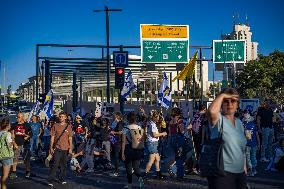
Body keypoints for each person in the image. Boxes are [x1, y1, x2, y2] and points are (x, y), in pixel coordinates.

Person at [207, 88, 247, 189]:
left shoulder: (239, 123)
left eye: (233, 101)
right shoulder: (219, 120)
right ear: (221, 103)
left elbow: (241, 150)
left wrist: (244, 169)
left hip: (240, 173)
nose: (230, 104)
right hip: (222, 173)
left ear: (237, 104)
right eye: (226, 101)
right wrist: (223, 95)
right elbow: (211, 111)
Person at [48, 111, 73, 187]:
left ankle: (62, 178)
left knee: (64, 165)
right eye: (60, 116)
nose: (61, 118)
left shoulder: (69, 126)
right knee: (55, 164)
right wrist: (51, 147)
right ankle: (51, 180)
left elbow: (70, 138)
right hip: (57, 148)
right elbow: (52, 137)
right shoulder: (55, 125)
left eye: (62, 116)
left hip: (65, 148)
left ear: (65, 117)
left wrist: (70, 148)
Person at [122, 112, 144, 189]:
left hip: (128, 149)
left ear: (128, 119)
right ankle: (140, 178)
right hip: (138, 149)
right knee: (136, 167)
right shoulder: (139, 127)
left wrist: (122, 153)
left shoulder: (125, 128)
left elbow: (123, 142)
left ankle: (129, 185)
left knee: (128, 167)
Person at [144, 110, 167, 179]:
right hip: (152, 143)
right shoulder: (153, 124)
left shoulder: (151, 122)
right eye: (157, 117)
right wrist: (163, 134)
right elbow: (154, 135)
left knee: (157, 159)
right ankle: (145, 174)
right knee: (151, 160)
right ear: (154, 117)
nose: (158, 118)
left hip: (152, 143)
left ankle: (158, 173)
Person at [10, 112, 34, 179]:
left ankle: (27, 172)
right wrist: (14, 143)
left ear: (22, 117)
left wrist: (28, 136)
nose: (17, 118)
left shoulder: (27, 125)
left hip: (25, 144)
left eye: (19, 117)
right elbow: (11, 135)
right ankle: (13, 172)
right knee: (15, 158)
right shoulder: (14, 125)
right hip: (17, 144)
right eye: (17, 117)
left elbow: (31, 134)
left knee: (26, 159)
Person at [168, 107, 185, 180]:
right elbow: (182, 131)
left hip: (172, 139)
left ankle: (173, 171)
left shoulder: (171, 121)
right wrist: (188, 127)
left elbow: (169, 132)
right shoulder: (179, 121)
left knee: (176, 157)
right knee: (180, 158)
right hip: (179, 140)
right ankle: (179, 175)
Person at [243, 111, 260, 177]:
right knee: (253, 157)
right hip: (254, 143)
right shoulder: (254, 125)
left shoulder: (245, 126)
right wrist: (259, 143)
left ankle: (250, 170)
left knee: (248, 158)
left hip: (247, 144)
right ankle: (254, 170)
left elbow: (247, 137)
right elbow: (257, 135)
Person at [0, 118, 14, 189]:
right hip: (6, 156)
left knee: (0, 176)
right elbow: (9, 145)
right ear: (7, 125)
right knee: (4, 177)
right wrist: (13, 139)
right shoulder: (7, 134)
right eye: (10, 124)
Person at [110, 112, 124, 177]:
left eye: (114, 116)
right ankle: (130, 167)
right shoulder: (118, 123)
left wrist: (114, 132)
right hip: (117, 141)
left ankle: (116, 171)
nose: (113, 117)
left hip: (118, 142)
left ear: (117, 116)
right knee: (119, 156)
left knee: (116, 157)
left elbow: (121, 132)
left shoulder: (120, 123)